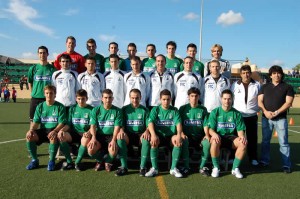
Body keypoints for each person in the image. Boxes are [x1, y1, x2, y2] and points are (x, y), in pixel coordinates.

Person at [258, 65, 294, 173]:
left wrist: (277, 112)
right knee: (265, 141)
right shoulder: (264, 87)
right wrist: (265, 111)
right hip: (266, 118)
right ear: (270, 75)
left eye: (278, 73)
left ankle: (286, 165)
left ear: (281, 74)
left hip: (281, 119)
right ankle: (264, 161)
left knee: (283, 142)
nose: (276, 75)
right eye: (274, 73)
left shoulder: (287, 87)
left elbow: (288, 103)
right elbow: (259, 101)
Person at [25, 85, 66, 171]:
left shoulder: (60, 106)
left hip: (55, 130)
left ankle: (51, 161)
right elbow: (36, 122)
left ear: (55, 94)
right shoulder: (40, 106)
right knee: (29, 136)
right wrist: (31, 130)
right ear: (44, 94)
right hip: (44, 131)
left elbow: (62, 123)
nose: (49, 95)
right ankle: (34, 160)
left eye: (51, 93)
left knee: (53, 136)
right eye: (47, 93)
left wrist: (55, 131)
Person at [209, 89, 247, 179]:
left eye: (229, 99)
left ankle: (235, 168)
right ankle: (216, 167)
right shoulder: (215, 112)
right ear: (221, 99)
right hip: (219, 137)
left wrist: (242, 137)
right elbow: (211, 129)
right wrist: (214, 134)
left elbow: (240, 130)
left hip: (231, 138)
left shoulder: (237, 114)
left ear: (232, 99)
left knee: (243, 143)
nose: (227, 101)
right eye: (225, 99)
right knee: (214, 141)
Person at [145, 89, 183, 178]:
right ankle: (154, 168)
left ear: (171, 99)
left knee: (177, 140)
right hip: (159, 136)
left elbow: (179, 124)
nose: (166, 102)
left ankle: (173, 168)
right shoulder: (155, 109)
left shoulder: (174, 110)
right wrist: (153, 135)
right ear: (160, 99)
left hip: (170, 137)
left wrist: (179, 134)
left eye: (168, 99)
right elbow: (150, 123)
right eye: (164, 99)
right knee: (154, 141)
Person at [89, 89, 127, 176]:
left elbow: (117, 127)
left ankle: (108, 161)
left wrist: (113, 140)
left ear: (112, 98)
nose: (108, 100)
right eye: (105, 97)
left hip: (110, 136)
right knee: (90, 150)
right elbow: (93, 126)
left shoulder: (117, 110)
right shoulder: (96, 110)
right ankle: (100, 160)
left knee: (113, 151)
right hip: (99, 136)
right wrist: (93, 138)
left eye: (110, 97)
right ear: (102, 98)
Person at [57, 89, 94, 171]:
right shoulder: (72, 109)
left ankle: (77, 162)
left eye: (83, 99)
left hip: (85, 134)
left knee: (85, 139)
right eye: (79, 99)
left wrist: (88, 132)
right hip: (74, 133)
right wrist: (62, 130)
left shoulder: (92, 110)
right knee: (61, 136)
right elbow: (68, 124)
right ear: (76, 99)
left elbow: (93, 126)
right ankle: (69, 162)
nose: (81, 101)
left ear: (86, 98)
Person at [231, 65, 260, 166]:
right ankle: (232, 157)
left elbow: (260, 99)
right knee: (236, 138)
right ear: (240, 74)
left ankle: (253, 158)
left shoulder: (257, 85)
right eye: (243, 73)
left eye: (247, 72)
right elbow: (231, 99)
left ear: (250, 73)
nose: (246, 75)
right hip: (238, 116)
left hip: (251, 116)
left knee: (252, 138)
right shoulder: (235, 85)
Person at [179, 87, 210, 176]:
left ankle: (201, 167)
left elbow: (205, 124)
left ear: (199, 97)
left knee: (207, 142)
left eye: (196, 96)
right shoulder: (183, 108)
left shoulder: (203, 109)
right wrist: (181, 133)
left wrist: (207, 135)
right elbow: (179, 123)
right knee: (183, 140)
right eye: (192, 96)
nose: (194, 98)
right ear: (188, 97)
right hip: (187, 135)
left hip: (200, 136)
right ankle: (186, 166)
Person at [121, 89, 150, 176]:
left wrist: (146, 131)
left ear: (140, 98)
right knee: (120, 138)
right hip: (128, 135)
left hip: (140, 134)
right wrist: (122, 131)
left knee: (146, 138)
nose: (135, 100)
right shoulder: (124, 109)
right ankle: (123, 167)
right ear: (129, 98)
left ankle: (142, 167)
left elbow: (149, 125)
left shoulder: (145, 110)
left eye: (137, 98)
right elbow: (120, 124)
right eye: (133, 98)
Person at [28, 46, 56, 122]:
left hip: (48, 98)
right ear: (38, 54)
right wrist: (32, 93)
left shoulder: (52, 69)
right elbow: (30, 82)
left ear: (47, 54)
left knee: (48, 121)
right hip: (35, 98)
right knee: (33, 121)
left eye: (44, 53)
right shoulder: (33, 68)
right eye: (40, 53)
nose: (42, 54)